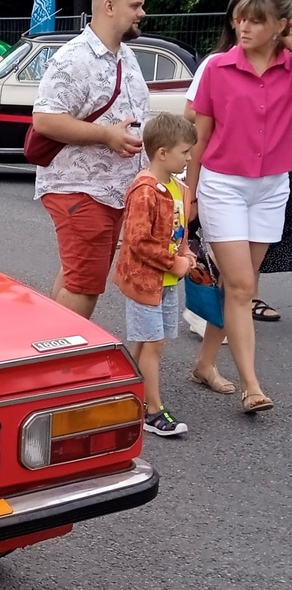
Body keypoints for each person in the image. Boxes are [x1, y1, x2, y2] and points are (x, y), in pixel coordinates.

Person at [185, 0, 292, 414]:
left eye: (256, 20)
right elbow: (200, 136)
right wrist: (188, 197)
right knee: (244, 285)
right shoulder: (218, 68)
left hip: (271, 186)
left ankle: (204, 363)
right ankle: (252, 386)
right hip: (223, 184)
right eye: (241, 18)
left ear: (280, 27)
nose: (243, 26)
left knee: (239, 288)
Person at [31, 0, 151, 320]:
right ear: (108, 7)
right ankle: (64, 361)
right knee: (84, 286)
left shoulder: (125, 56)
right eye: (135, 5)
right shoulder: (74, 58)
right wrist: (106, 136)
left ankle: (50, 350)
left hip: (110, 191)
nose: (142, 12)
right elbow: (45, 120)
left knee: (76, 278)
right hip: (82, 191)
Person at [113, 115, 198, 436]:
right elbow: (138, 240)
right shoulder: (145, 190)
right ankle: (152, 411)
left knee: (148, 342)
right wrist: (173, 262)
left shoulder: (178, 188)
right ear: (162, 153)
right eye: (185, 152)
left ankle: (126, 390)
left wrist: (186, 253)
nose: (189, 158)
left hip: (166, 281)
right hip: (146, 280)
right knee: (154, 343)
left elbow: (179, 232)